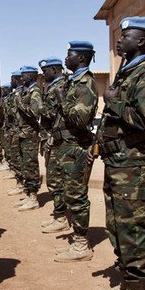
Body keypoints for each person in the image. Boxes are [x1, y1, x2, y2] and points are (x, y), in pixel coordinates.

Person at [93, 17, 145, 290]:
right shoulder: (127, 73)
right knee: (116, 224)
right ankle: (125, 281)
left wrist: (113, 102)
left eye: (125, 36)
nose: (119, 40)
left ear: (141, 41)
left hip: (133, 163)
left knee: (132, 226)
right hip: (117, 160)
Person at [53, 41, 98, 263]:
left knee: (77, 195)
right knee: (69, 193)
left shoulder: (85, 83)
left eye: (68, 54)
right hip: (67, 146)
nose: (65, 58)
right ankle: (76, 234)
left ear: (80, 58)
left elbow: (79, 120)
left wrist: (62, 100)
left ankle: (82, 244)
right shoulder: (73, 82)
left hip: (77, 147)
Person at [39, 57, 70, 233]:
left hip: (60, 139)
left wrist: (38, 107)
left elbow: (52, 113)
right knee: (53, 179)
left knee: (57, 180)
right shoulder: (53, 87)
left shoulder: (60, 87)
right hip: (52, 137)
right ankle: (60, 215)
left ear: (55, 69)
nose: (43, 74)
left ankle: (62, 217)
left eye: (46, 71)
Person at [14, 65, 42, 211]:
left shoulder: (35, 92)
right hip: (22, 132)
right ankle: (28, 193)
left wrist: (20, 105)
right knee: (24, 164)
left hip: (30, 133)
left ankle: (33, 198)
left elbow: (35, 112)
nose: (21, 78)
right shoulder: (25, 91)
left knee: (31, 165)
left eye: (24, 75)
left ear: (31, 76)